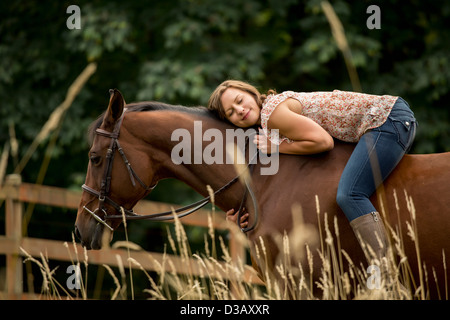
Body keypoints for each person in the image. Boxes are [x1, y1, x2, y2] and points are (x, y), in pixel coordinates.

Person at [208, 80, 417, 264]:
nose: (239, 110)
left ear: (252, 94)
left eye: (239, 100)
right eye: (231, 113)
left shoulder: (272, 113)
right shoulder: (266, 125)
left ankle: (383, 267)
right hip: (382, 121)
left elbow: (323, 142)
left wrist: (276, 146)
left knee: (350, 194)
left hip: (387, 120)